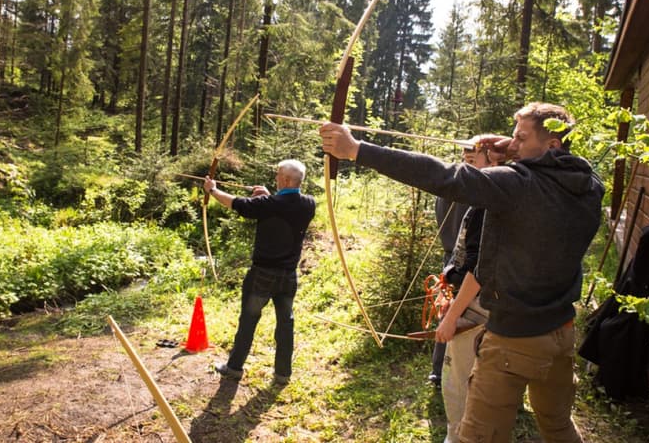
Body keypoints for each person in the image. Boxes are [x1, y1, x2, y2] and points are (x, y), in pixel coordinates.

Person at [320, 102, 604, 443]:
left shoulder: (517, 185)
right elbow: (549, 167)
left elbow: (445, 177)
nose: (512, 144)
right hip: (561, 332)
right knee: (558, 427)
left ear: (552, 145)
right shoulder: (589, 184)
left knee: (476, 438)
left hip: (515, 339)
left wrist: (357, 150)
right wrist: (514, 145)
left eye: (520, 138)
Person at [204, 159, 316, 385]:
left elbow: (235, 203)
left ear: (285, 179)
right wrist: (266, 195)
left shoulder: (268, 204)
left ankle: (234, 368)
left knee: (249, 319)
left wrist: (213, 190)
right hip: (288, 276)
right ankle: (283, 374)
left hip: (262, 276)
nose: (275, 178)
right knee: (286, 323)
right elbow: (280, 205)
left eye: (277, 175)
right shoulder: (309, 204)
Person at [435, 138, 502, 443]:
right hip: (468, 288)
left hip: (478, 300)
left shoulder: (496, 198)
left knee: (460, 380)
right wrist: (449, 275)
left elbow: (480, 265)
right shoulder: (484, 194)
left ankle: (459, 436)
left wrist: (454, 313)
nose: (470, 166)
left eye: (477, 160)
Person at [429, 150, 472, 389]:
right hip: (461, 261)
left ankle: (438, 373)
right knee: (452, 313)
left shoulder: (451, 181)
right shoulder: (472, 187)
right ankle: (442, 372)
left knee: (448, 312)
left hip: (452, 259)